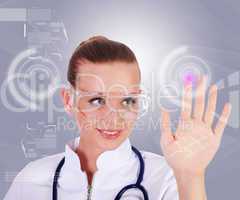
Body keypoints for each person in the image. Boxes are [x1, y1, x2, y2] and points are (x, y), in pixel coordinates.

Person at [4, 36, 232, 200]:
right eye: (96, 100)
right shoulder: (32, 180)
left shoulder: (165, 178)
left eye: (127, 101)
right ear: (68, 100)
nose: (113, 118)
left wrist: (191, 176)